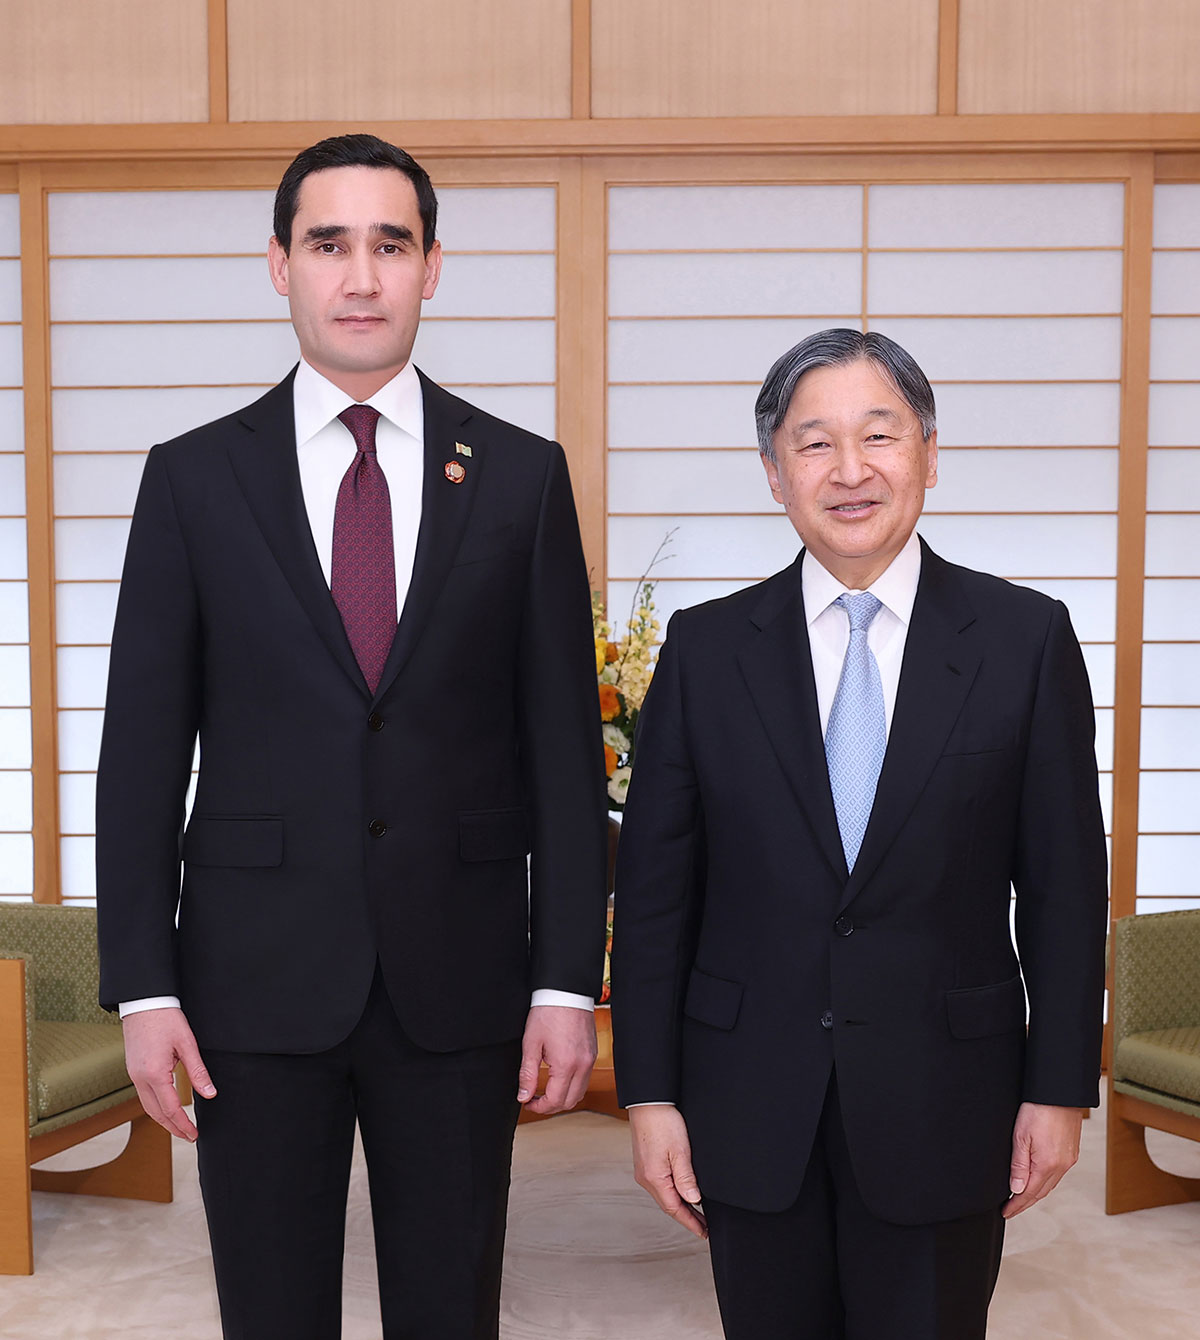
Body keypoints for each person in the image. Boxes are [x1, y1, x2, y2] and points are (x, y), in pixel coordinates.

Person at [95, 133, 607, 1340]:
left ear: (434, 267)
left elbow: (563, 760)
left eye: (392, 243)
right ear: (279, 265)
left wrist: (561, 978)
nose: (361, 275)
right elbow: (140, 757)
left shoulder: (524, 478)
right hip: (250, 984)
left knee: (450, 1306)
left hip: (462, 978)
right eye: (330, 243)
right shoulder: (191, 481)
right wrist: (142, 986)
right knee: (269, 1309)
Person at [610, 328, 1108, 1339]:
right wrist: (649, 1096)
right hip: (747, 1095)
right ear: (773, 471)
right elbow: (658, 892)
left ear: (928, 452)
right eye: (814, 442)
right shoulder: (706, 652)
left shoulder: (1024, 641)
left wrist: (1061, 1088)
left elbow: (1064, 889)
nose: (850, 471)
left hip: (948, 1095)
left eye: (879, 436)